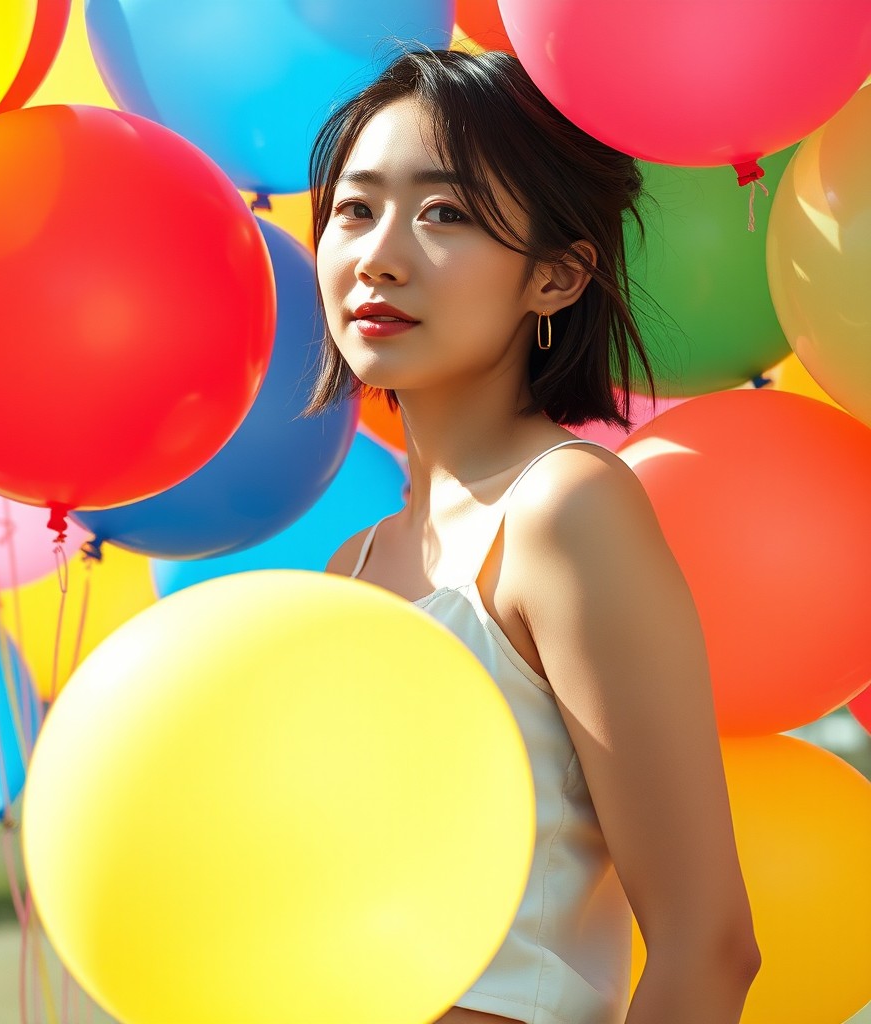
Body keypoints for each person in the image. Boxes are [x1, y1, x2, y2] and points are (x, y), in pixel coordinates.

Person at [308, 48, 761, 1024]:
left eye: (443, 213)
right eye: (354, 208)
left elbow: (706, 942)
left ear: (554, 277)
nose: (378, 253)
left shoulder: (564, 509)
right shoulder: (350, 567)